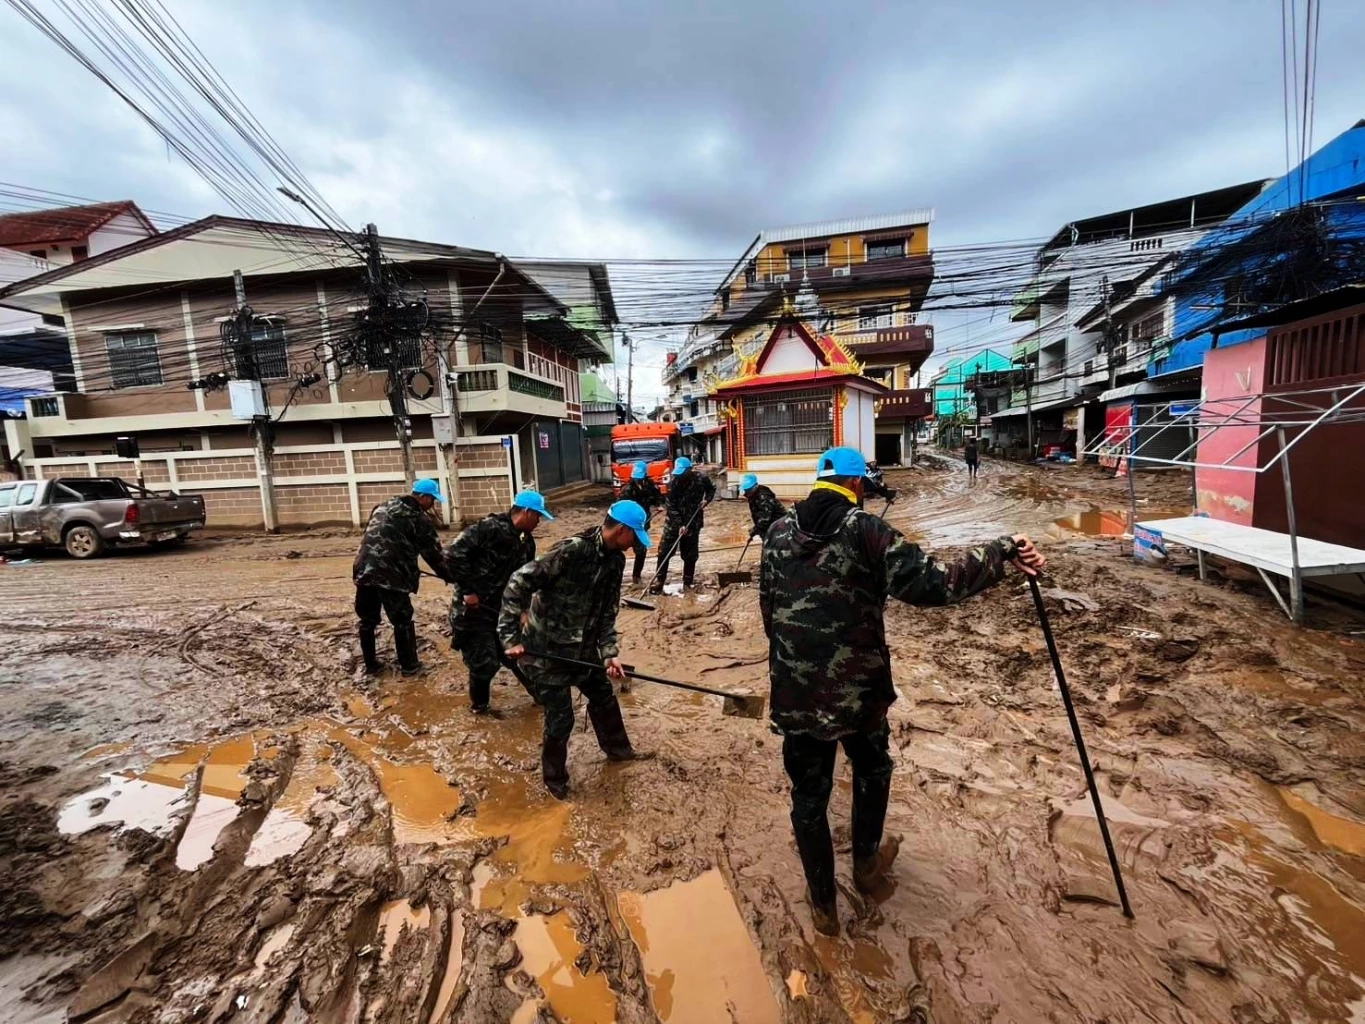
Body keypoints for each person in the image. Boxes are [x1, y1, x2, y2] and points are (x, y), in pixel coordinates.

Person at [759, 447, 1044, 936]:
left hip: (797, 695)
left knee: (809, 796)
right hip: (860, 693)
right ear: (855, 486)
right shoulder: (867, 531)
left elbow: (770, 614)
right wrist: (1002, 551)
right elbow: (935, 586)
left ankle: (823, 908)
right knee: (872, 768)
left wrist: (798, 666)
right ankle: (867, 866)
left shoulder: (776, 534)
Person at [500, 500, 651, 799]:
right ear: (621, 530)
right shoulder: (570, 551)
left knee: (604, 697)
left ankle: (619, 752)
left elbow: (608, 611)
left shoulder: (615, 561)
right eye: (634, 536)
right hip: (547, 651)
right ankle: (555, 782)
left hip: (583, 651)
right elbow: (518, 581)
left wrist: (609, 652)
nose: (635, 544)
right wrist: (510, 637)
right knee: (561, 718)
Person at [446, 490, 553, 714]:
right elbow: (454, 553)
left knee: (521, 654)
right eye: (537, 516)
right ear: (526, 512)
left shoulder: (527, 543)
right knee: (485, 663)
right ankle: (480, 708)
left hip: (504, 611)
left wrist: (524, 610)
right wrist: (468, 591)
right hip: (474, 611)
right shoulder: (489, 529)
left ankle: (544, 699)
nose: (538, 522)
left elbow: (525, 580)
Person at [353, 478, 450, 677]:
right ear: (423, 497)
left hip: (363, 569)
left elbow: (373, 537)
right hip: (391, 576)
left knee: (367, 619)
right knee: (402, 620)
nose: (432, 504)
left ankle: (371, 665)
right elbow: (434, 555)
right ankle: (410, 667)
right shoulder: (418, 519)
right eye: (432, 500)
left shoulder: (381, 506)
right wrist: (450, 575)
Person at [651, 456, 715, 593]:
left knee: (690, 555)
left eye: (682, 473)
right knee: (664, 551)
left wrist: (706, 500)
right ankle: (659, 581)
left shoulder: (701, 478)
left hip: (693, 521)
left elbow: (711, 489)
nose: (680, 476)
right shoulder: (673, 483)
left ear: (689, 470)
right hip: (673, 523)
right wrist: (680, 524)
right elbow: (671, 505)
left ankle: (688, 582)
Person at [618, 461, 664, 585]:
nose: (638, 479)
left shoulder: (650, 485)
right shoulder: (627, 490)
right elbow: (620, 508)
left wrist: (658, 505)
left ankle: (636, 576)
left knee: (641, 550)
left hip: (642, 525)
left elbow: (657, 496)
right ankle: (616, 577)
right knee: (618, 551)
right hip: (628, 526)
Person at [738, 473, 785, 541]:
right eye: (746, 490)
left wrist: (755, 530)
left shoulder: (764, 497)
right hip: (769, 528)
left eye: (749, 490)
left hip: (778, 527)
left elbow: (765, 519)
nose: (747, 492)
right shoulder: (753, 496)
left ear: (755, 486)